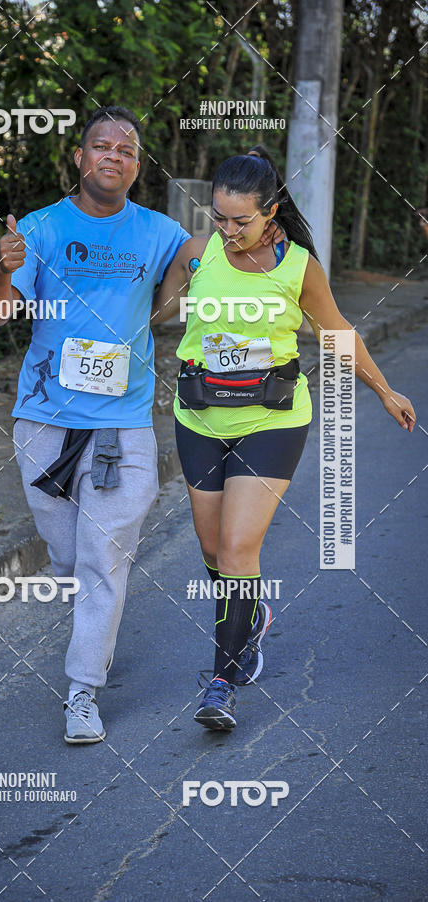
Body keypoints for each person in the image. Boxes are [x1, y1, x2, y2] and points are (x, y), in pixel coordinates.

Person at [0, 108, 280, 744]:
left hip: (124, 427)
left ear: (137, 167)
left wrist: (258, 206)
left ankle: (82, 692)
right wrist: (3, 267)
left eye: (126, 150)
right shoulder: (38, 229)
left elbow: (214, 254)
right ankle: (95, 638)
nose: (113, 156)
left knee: (102, 562)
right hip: (43, 421)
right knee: (69, 562)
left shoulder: (158, 232)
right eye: (101, 146)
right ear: (80, 157)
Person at [152, 146, 416, 732]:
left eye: (240, 220)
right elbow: (153, 317)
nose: (227, 231)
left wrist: (384, 389)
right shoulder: (197, 256)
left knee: (239, 547)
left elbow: (338, 335)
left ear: (271, 211)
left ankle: (222, 682)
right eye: (218, 217)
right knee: (214, 552)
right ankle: (249, 615)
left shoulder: (298, 267)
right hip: (199, 415)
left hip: (272, 419)